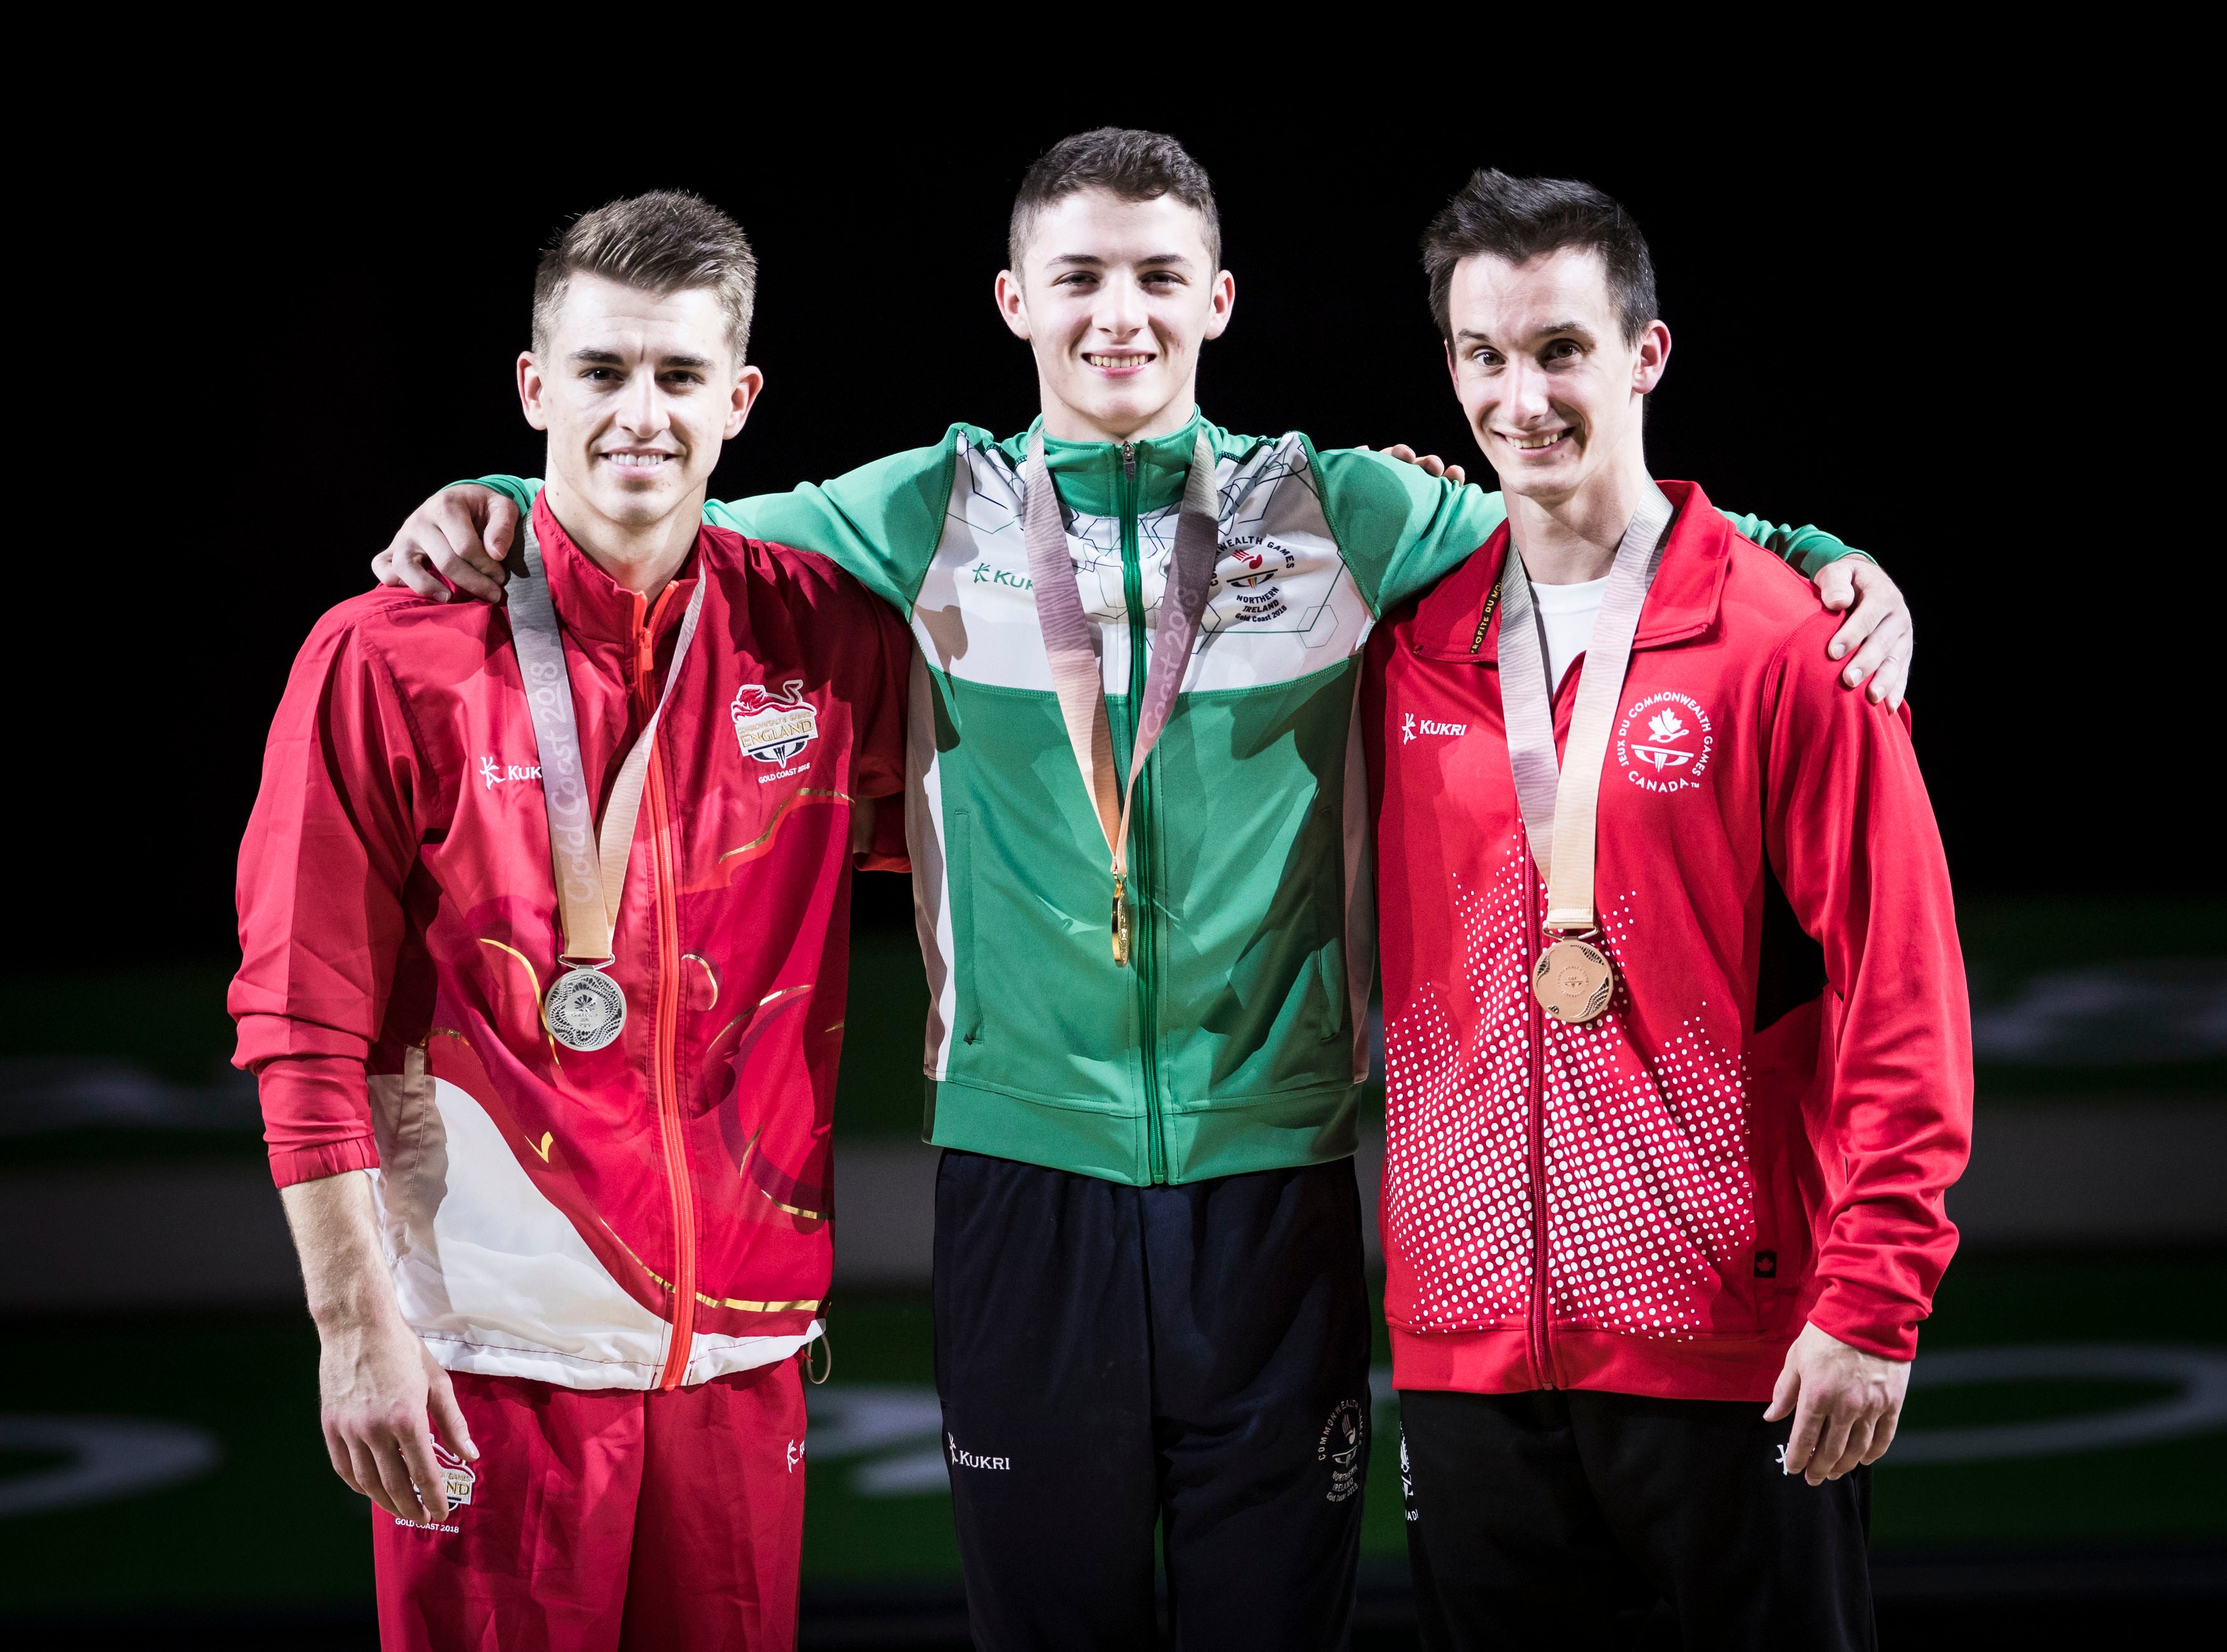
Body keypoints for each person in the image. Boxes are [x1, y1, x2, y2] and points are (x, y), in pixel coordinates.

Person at [372, 131, 1912, 1649]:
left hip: (1274, 1182)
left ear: (1220, 300)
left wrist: (1818, 551)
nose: (1121, 312)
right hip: (1018, 1180)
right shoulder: (923, 513)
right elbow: (655, 523)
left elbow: (1594, 535)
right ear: (1012, 301)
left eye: (1159, 275)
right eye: (1082, 276)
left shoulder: (1339, 513)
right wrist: (494, 491)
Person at [232, 191, 911, 1651]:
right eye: (601, 373)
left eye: (677, 377)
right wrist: (357, 1332)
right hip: (489, 1358)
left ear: (739, 401)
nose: (639, 415)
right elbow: (302, 1026)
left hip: (740, 1358)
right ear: (536, 389)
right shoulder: (387, 655)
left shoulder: (822, 637)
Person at [1362, 169, 1970, 1650]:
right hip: (1467, 1356)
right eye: (1484, 357)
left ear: (1644, 355)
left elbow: (1902, 995)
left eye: (1560, 349)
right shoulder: (1400, 634)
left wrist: (1871, 1306)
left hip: (1733, 1353)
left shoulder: (1785, 645)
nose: (1521, 397)